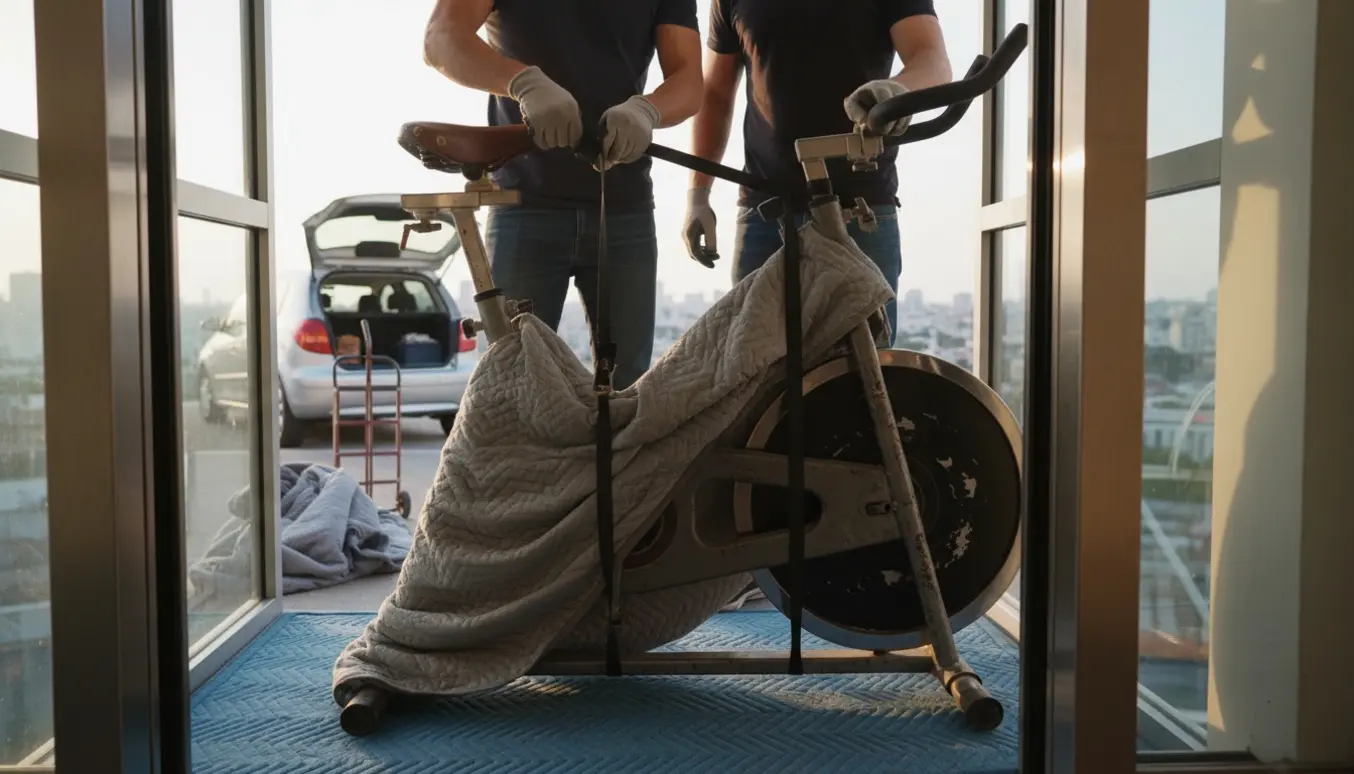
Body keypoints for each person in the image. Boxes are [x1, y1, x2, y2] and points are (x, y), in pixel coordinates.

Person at [423, 0, 704, 389]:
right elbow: (441, 37)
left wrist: (648, 110)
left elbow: (689, 79)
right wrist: (524, 83)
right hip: (524, 204)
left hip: (624, 209)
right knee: (510, 388)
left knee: (629, 394)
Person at [682, 0, 953, 344]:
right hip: (765, 212)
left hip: (860, 210)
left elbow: (932, 59)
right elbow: (716, 95)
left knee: (865, 379)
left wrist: (899, 90)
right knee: (750, 376)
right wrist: (698, 194)